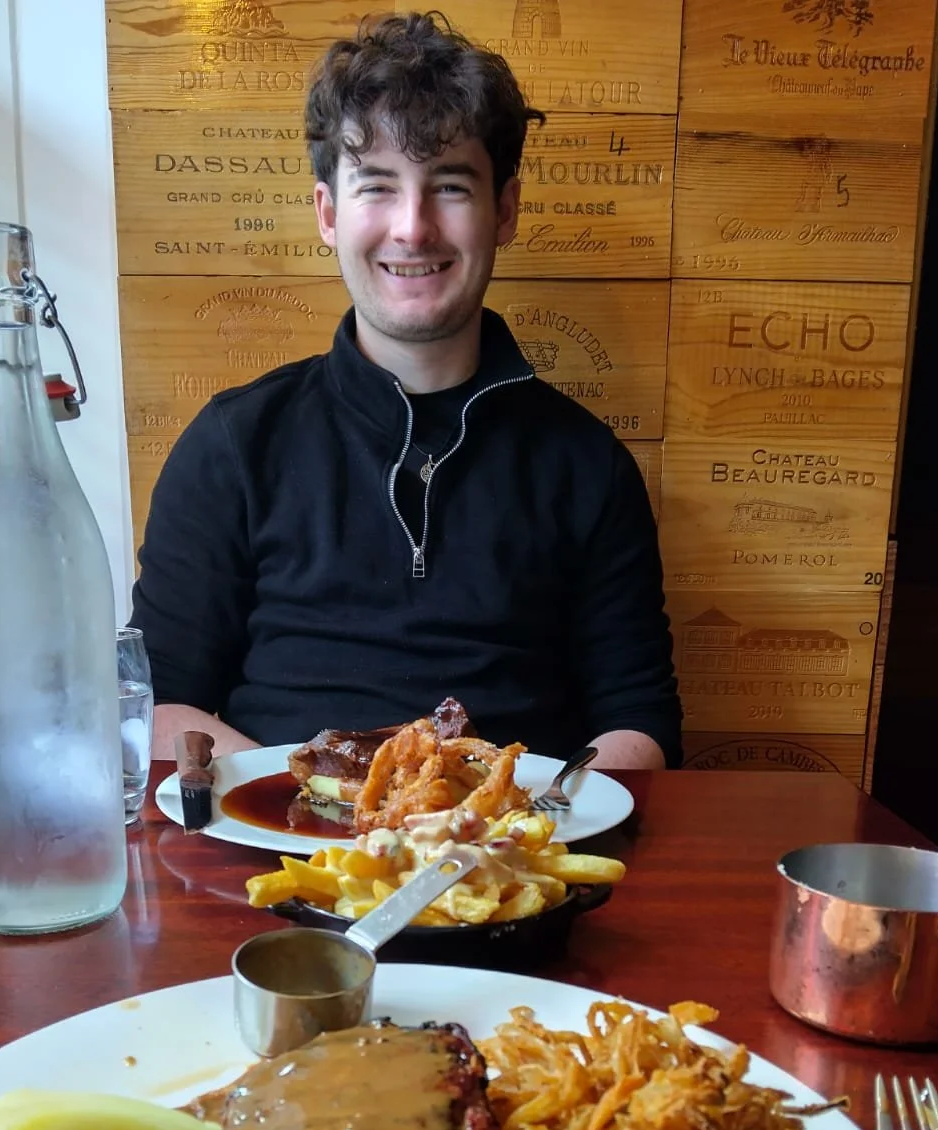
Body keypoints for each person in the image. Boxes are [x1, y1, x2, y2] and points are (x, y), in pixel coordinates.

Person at [130, 11, 682, 770]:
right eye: (377, 187)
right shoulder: (232, 444)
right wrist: (312, 807)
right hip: (270, 856)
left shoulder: (587, 463)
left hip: (514, 870)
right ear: (328, 213)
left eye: (450, 186)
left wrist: (520, 826)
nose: (413, 228)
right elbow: (155, 706)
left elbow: (641, 724)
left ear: (506, 211)